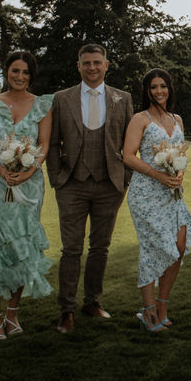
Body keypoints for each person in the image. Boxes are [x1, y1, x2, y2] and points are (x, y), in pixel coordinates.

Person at [47, 43, 134, 334]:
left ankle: (92, 302)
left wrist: (124, 179)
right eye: (87, 63)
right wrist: (57, 179)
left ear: (106, 65)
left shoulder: (123, 99)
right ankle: (66, 309)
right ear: (79, 65)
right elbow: (51, 143)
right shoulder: (61, 99)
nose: (92, 67)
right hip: (71, 185)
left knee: (100, 248)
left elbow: (130, 144)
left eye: (97, 62)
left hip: (110, 185)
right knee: (71, 249)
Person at [0, 51, 53, 340]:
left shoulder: (42, 105)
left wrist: (27, 173)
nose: (20, 76)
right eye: (15, 70)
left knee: (23, 245)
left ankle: (13, 313)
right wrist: (1, 171)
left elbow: (43, 146)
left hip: (29, 187)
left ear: (32, 75)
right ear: (6, 71)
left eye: (26, 72)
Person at [121, 69, 191, 332]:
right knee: (153, 250)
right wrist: (158, 175)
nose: (158, 91)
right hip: (146, 194)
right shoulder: (139, 119)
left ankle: (163, 305)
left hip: (173, 193)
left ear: (169, 88)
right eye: (153, 87)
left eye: (162, 86)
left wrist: (179, 175)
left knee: (177, 248)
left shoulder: (176, 119)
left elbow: (181, 154)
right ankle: (148, 311)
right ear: (146, 90)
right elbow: (128, 156)